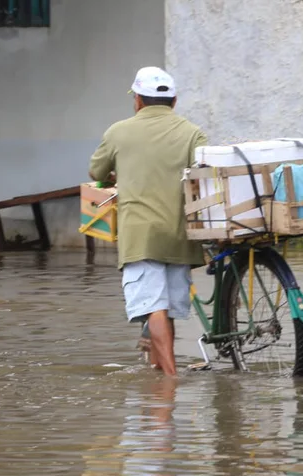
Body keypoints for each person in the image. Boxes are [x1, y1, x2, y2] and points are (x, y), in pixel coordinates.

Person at [89, 66, 208, 377]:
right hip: (180, 234)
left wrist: (122, 172)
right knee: (164, 308)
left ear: (138, 101)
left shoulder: (118, 132)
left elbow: (96, 173)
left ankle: (169, 379)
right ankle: (158, 373)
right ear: (174, 101)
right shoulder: (192, 132)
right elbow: (205, 173)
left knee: (153, 307)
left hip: (139, 235)